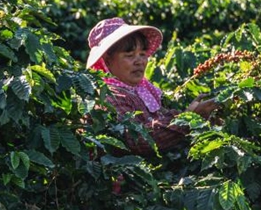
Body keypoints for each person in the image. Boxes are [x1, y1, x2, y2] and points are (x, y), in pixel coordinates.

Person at [86, 17, 217, 155]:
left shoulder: (145, 90)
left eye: (143, 54)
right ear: (107, 61)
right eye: (130, 55)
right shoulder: (109, 97)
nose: (140, 61)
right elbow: (138, 139)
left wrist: (197, 115)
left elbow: (161, 121)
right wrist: (188, 120)